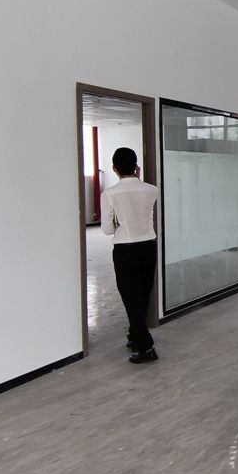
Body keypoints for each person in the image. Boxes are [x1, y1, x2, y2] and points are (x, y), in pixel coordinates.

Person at [100, 147, 159, 364]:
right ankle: (135, 336)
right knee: (143, 294)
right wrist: (138, 179)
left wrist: (119, 224)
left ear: (114, 169)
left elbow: (107, 230)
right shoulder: (151, 190)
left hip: (125, 250)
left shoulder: (109, 194)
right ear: (136, 167)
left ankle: (146, 347)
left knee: (131, 299)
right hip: (148, 247)